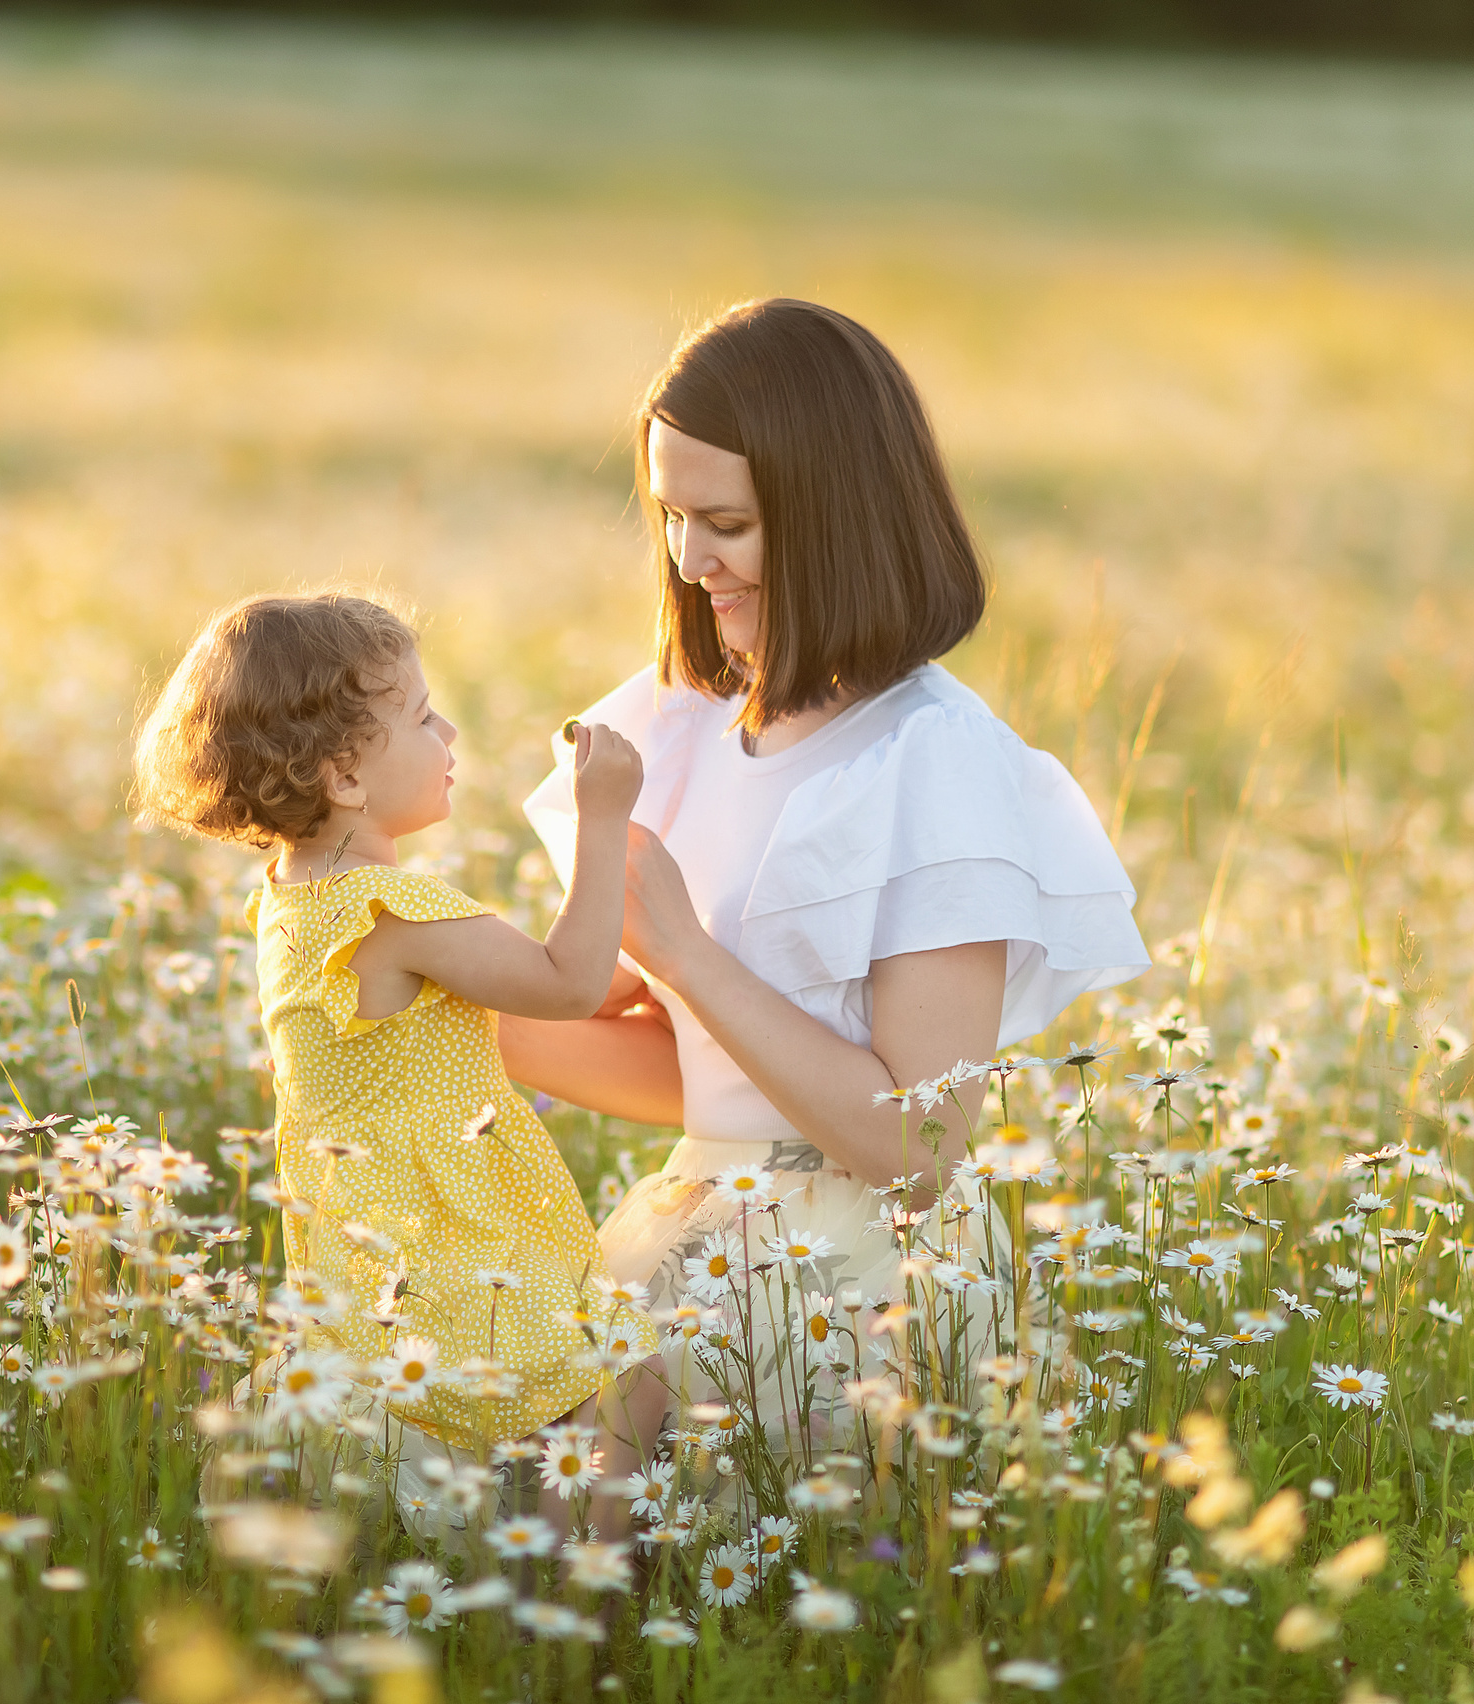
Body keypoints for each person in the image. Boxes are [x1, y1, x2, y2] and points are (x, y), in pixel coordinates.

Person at [504, 299, 1149, 1445]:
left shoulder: (929, 761)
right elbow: (712, 1085)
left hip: (853, 1283)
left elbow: (917, 1148)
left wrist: (687, 955)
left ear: (833, 517)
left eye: (727, 524)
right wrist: (445, 1021)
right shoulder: (681, 726)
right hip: (697, 1219)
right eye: (669, 516)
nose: (688, 562)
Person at [132, 590, 659, 1464]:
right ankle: (584, 1583)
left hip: (373, 1236)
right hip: (454, 1235)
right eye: (422, 718)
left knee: (469, 1444)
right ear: (343, 777)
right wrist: (601, 819)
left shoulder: (296, 897)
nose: (449, 734)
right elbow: (569, 984)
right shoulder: (393, 908)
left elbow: (498, 994)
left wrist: (627, 985)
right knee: (615, 1387)